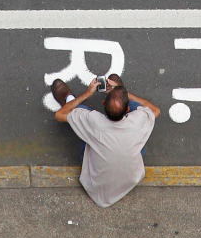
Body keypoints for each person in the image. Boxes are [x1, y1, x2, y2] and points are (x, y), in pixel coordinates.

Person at [52, 74, 159, 209]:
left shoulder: (93, 120)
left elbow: (59, 115)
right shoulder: (137, 120)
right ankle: (119, 96)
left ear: (103, 104)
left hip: (94, 185)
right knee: (141, 110)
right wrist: (123, 93)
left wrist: (87, 93)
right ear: (127, 110)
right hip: (130, 181)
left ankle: (69, 100)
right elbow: (155, 110)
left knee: (81, 112)